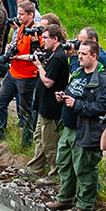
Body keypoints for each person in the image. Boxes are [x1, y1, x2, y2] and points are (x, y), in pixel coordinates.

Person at [49, 41, 106, 211]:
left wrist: (77, 104)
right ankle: (65, 197)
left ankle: (85, 204)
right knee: (64, 163)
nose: (79, 56)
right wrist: (63, 97)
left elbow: (103, 107)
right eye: (79, 53)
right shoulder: (78, 72)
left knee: (84, 168)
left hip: (86, 131)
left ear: (94, 56)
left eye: (84, 54)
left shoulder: (102, 80)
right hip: (68, 128)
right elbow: (73, 92)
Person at [24, 23, 71, 183]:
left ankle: (55, 174)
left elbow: (49, 82)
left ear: (55, 39)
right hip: (43, 104)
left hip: (52, 107)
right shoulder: (51, 53)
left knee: (50, 143)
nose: (42, 41)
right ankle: (35, 168)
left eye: (45, 38)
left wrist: (39, 67)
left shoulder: (59, 57)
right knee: (39, 137)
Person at [0, 1, 40, 147]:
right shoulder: (21, 28)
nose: (18, 17)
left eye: (21, 14)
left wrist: (17, 57)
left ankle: (27, 142)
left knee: (26, 111)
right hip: (13, 72)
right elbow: (18, 46)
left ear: (31, 15)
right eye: (18, 13)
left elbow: (36, 55)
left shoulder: (36, 32)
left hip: (26, 75)